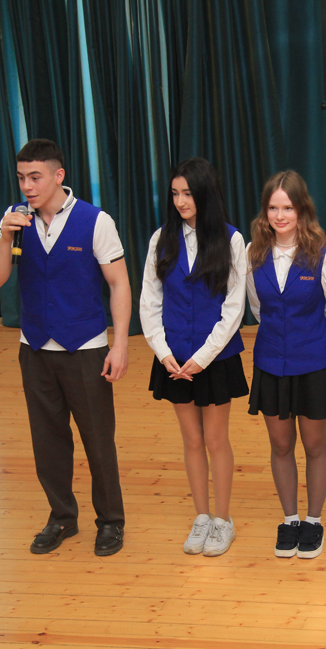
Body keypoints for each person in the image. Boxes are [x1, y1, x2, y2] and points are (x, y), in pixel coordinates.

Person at [0, 138, 130, 557]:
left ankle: (111, 521)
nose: (27, 186)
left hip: (85, 347)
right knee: (47, 441)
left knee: (98, 439)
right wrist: (4, 238)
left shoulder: (96, 221)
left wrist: (120, 344)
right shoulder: (15, 221)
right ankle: (62, 516)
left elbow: (119, 283)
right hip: (34, 347)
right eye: (21, 178)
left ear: (58, 175)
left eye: (35, 177)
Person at [139, 157, 248, 557]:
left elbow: (234, 306)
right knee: (191, 439)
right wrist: (162, 351)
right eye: (175, 194)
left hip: (213, 357)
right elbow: (150, 299)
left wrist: (205, 356)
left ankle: (223, 519)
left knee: (216, 439)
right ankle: (201, 516)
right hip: (174, 358)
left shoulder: (231, 240)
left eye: (187, 193)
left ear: (205, 193)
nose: (181, 201)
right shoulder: (161, 239)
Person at [245, 170, 326, 559]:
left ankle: (313, 521)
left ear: (302, 209)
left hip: (314, 363)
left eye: (287, 207)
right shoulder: (253, 254)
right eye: (273, 208)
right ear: (265, 211)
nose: (280, 215)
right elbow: (258, 308)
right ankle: (289, 519)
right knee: (281, 444)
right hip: (271, 363)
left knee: (315, 444)